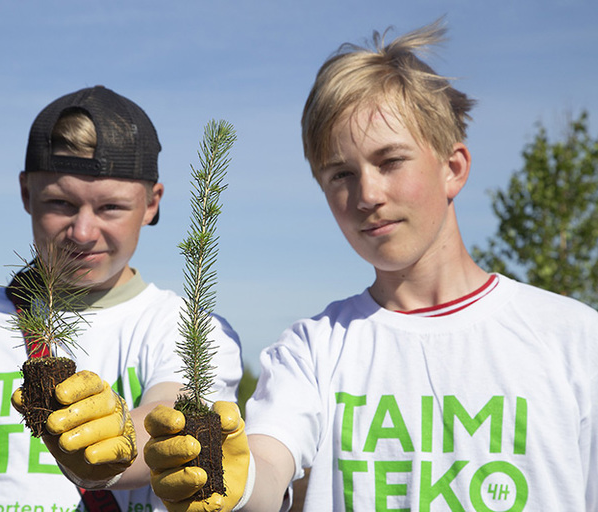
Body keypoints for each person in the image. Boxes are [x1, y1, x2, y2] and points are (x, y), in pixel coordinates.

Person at [141, 19, 598, 511]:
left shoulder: (573, 339)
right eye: (341, 174)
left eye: (391, 161)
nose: (368, 195)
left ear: (453, 168)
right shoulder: (311, 350)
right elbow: (268, 467)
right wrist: (238, 484)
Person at [0, 86, 243, 511]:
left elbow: (168, 416)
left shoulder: (191, 326)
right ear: (26, 194)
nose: (83, 232)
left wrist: (110, 448)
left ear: (151, 203)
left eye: (110, 208)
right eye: (61, 203)